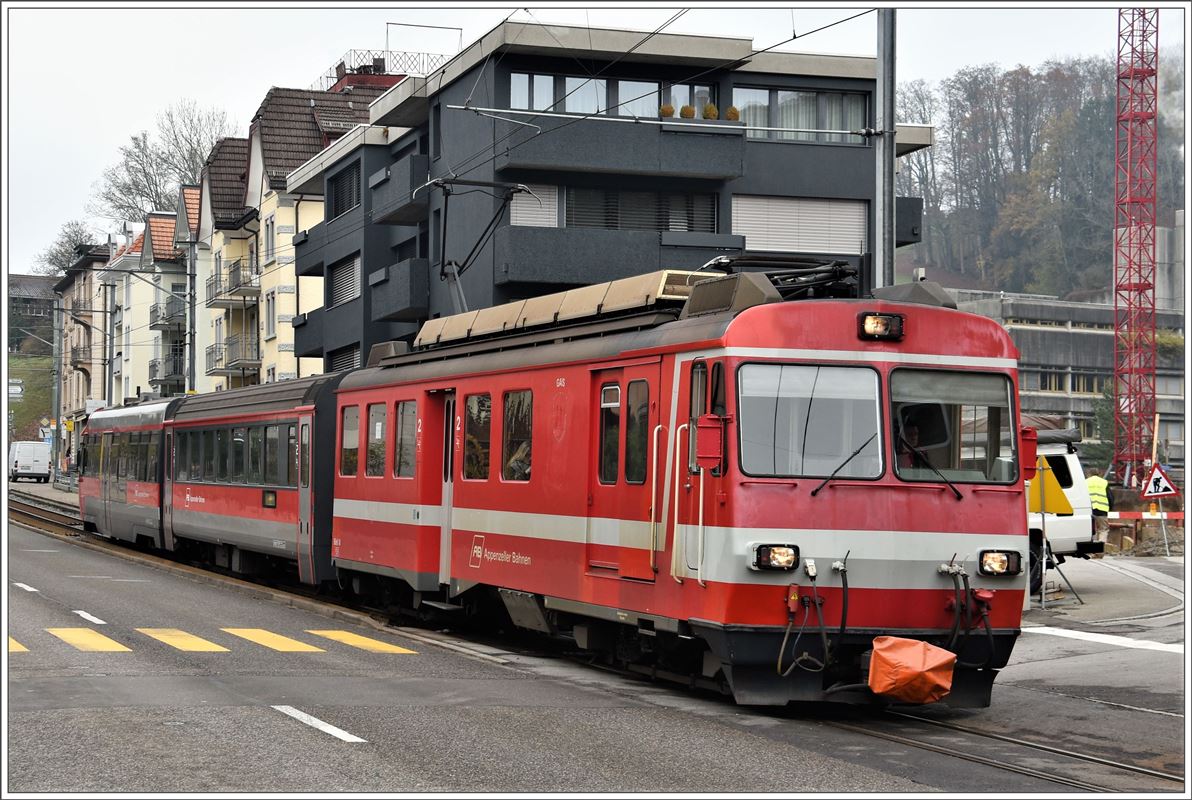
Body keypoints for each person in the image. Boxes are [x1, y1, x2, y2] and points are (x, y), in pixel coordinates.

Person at [1085, 468, 1111, 539]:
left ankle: (1092, 544)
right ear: (1099, 474)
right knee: (1103, 529)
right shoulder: (1104, 482)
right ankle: (1102, 544)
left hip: (1088, 510)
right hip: (1102, 510)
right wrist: (1109, 509)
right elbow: (1110, 497)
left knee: (1090, 530)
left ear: (1088, 474)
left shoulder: (1085, 482)